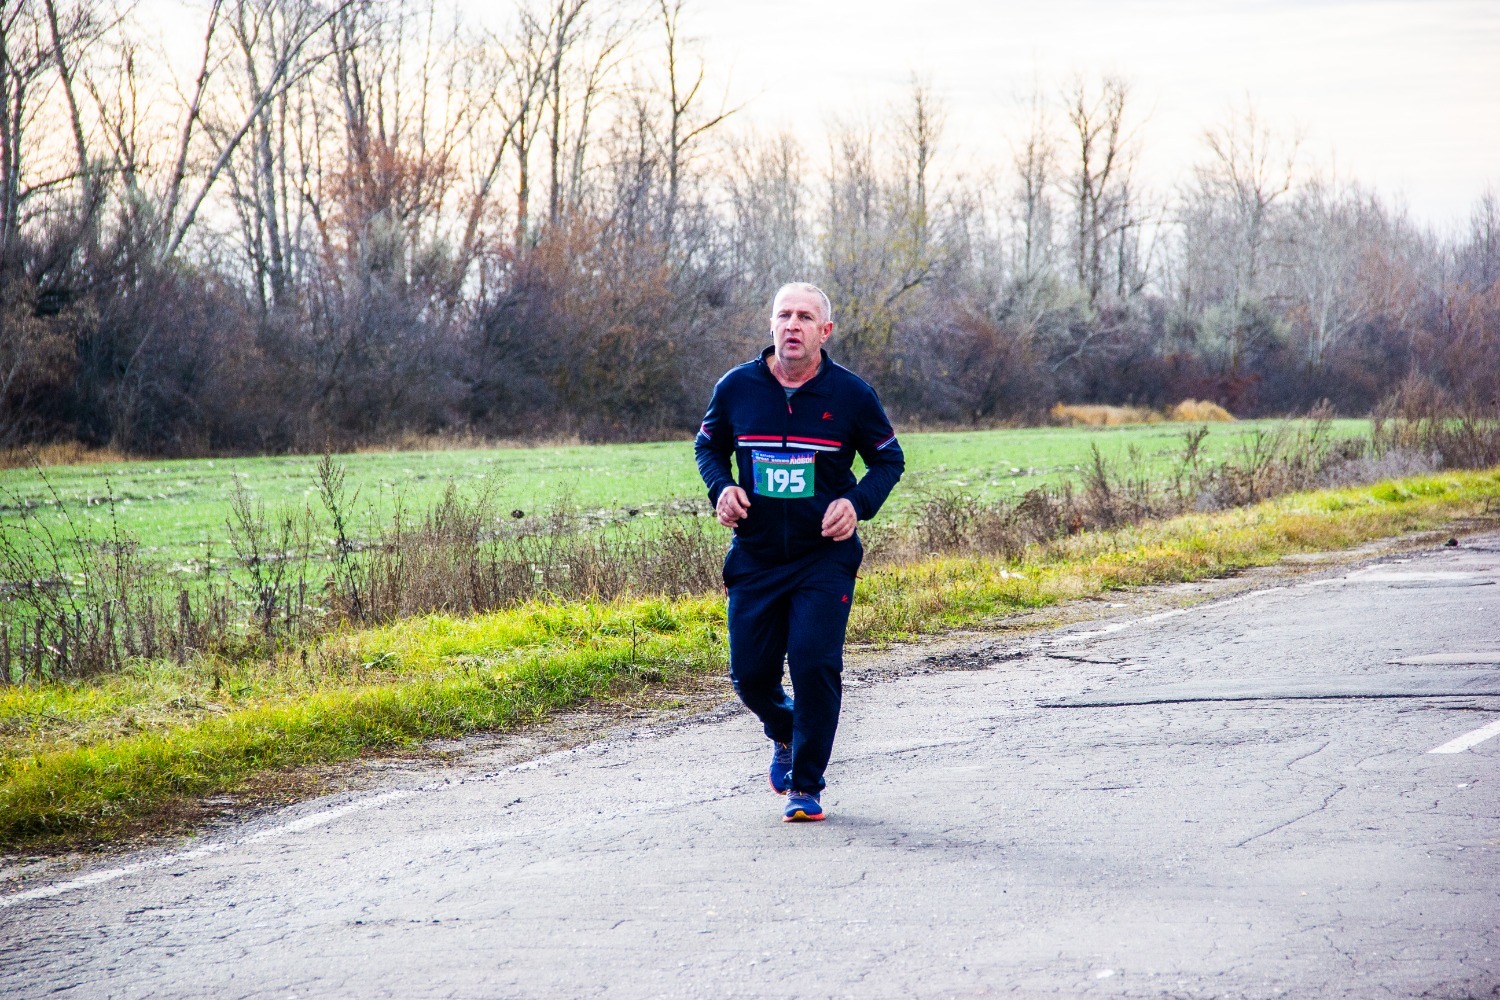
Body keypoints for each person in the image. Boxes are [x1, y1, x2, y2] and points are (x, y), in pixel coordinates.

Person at [694, 282, 905, 822]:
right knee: (750, 676)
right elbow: (708, 445)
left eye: (805, 317)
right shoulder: (737, 387)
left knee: (814, 665)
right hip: (756, 555)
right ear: (771, 325)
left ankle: (805, 786)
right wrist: (722, 488)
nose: (793, 325)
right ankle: (785, 729)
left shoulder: (851, 395)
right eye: (784, 315)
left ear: (824, 331)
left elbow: (889, 460)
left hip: (823, 557)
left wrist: (856, 503)